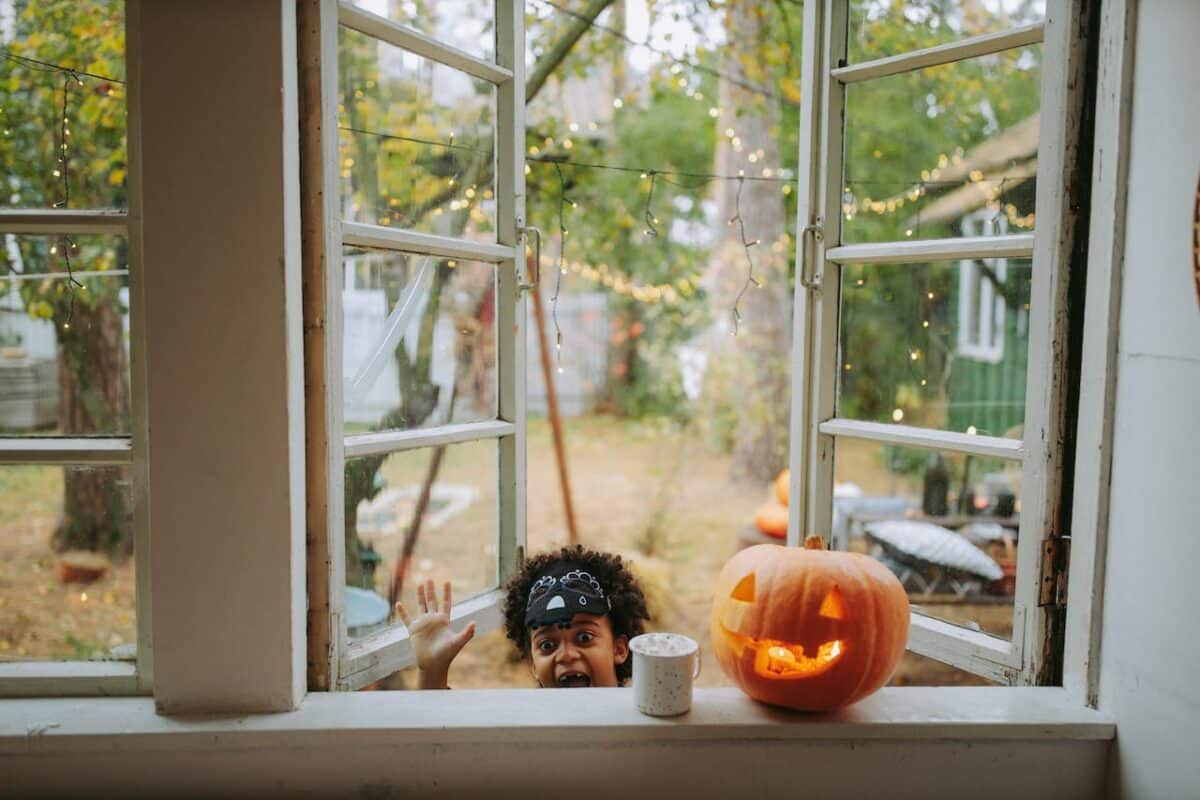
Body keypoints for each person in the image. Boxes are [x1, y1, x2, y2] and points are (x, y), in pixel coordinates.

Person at [395, 546, 650, 689]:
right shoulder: (523, 723)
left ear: (619, 649)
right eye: (547, 645)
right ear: (532, 664)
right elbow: (444, 742)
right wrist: (433, 671)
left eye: (584, 637)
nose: (566, 655)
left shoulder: (643, 719)